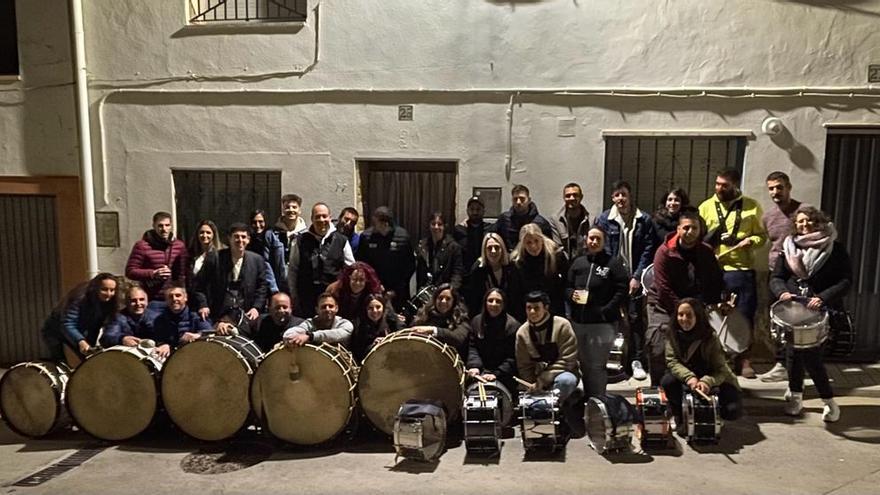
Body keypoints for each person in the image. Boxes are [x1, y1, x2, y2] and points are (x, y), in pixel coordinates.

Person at [770, 206, 850, 422]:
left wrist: (823, 297)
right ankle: (796, 396)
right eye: (800, 222)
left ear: (819, 222)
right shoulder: (788, 248)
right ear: (795, 225)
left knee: (812, 358)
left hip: (821, 311)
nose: (805, 225)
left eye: (810, 221)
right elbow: (776, 277)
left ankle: (829, 401)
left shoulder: (835, 249)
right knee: (793, 355)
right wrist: (783, 292)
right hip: (793, 310)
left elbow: (845, 281)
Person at [699, 168, 767, 378]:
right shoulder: (706, 207)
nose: (719, 188)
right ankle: (717, 360)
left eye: (724, 185)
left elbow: (762, 236)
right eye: (717, 184)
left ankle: (744, 360)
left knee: (744, 315)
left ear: (735, 186)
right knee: (713, 315)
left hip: (741, 270)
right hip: (714, 270)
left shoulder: (752, 206)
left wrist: (751, 242)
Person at [646, 208, 726, 385]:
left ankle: (697, 384)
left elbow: (714, 280)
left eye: (695, 228)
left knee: (704, 342)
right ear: (679, 229)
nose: (690, 232)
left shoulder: (705, 252)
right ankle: (659, 387)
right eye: (686, 228)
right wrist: (682, 311)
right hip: (663, 304)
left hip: (695, 305)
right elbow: (663, 287)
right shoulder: (664, 251)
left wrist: (720, 301)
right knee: (659, 343)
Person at [594, 180, 658, 381]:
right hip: (613, 280)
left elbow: (648, 250)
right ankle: (611, 361)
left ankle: (636, 360)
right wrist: (616, 279)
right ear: (612, 198)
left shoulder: (644, 219)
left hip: (635, 280)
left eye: (624, 194)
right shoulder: (604, 219)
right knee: (611, 320)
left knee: (636, 320)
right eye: (617, 195)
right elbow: (603, 251)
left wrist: (637, 277)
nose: (620, 199)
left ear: (630, 197)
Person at [661, 298, 742, 436]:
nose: (684, 319)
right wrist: (689, 378)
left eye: (689, 315)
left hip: (709, 376)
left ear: (698, 316)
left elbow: (721, 369)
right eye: (680, 315)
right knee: (668, 382)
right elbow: (672, 361)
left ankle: (714, 414)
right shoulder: (672, 334)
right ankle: (678, 414)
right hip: (685, 378)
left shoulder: (710, 337)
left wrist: (707, 381)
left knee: (733, 410)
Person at [566, 227, 629, 398]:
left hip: (603, 324)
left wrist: (606, 309)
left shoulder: (613, 264)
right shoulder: (578, 262)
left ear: (604, 241)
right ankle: (589, 400)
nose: (593, 242)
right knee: (584, 365)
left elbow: (622, 290)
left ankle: (599, 401)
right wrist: (572, 295)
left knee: (597, 365)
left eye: (597, 239)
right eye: (591, 238)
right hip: (579, 323)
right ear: (586, 240)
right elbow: (567, 286)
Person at [759, 171, 806, 382]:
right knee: (776, 320)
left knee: (800, 321)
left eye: (779, 187)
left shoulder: (804, 211)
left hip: (799, 275)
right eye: (771, 188)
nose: (775, 192)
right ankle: (780, 363)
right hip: (775, 274)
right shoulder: (768, 216)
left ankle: (798, 365)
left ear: (789, 187)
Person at [194, 223, 268, 330]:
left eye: (243, 237)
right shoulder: (214, 258)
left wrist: (256, 307)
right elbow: (199, 284)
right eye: (236, 237)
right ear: (229, 238)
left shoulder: (257, 260)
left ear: (248, 240)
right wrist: (203, 305)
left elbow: (262, 287)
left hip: (247, 312)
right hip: (219, 312)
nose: (240, 240)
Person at [288, 203, 355, 318]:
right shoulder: (299, 241)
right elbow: (293, 269)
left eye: (324, 216)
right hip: (307, 299)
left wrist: (339, 284)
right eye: (317, 217)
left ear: (330, 217)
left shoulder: (342, 240)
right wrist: (294, 296)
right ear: (312, 219)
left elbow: (351, 269)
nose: (321, 220)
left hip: (333, 299)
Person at [515, 291, 580, 404]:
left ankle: (558, 408)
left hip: (561, 373)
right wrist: (531, 383)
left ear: (546, 308)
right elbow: (524, 365)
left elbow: (568, 360)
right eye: (528, 308)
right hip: (536, 379)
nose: (532, 312)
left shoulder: (562, 325)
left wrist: (543, 380)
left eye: (536, 308)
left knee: (566, 381)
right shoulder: (522, 332)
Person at [41, 273, 121, 361]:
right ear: (96, 289)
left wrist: (91, 346)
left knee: (90, 359)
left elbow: (97, 327)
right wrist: (81, 341)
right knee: (60, 362)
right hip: (55, 329)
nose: (108, 294)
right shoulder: (80, 297)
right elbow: (67, 323)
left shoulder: (109, 303)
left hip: (80, 331)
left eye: (112, 290)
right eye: (104, 289)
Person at [356, 206, 416, 312]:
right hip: (373, 289)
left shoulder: (402, 237)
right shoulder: (366, 237)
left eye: (376, 223)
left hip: (397, 290)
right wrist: (375, 285)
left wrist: (395, 290)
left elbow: (409, 266)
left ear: (385, 223)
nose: (373, 226)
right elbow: (362, 264)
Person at [125, 211, 189, 302]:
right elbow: (130, 271)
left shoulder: (179, 246)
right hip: (152, 298)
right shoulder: (142, 246)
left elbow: (182, 274)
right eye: (160, 226)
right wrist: (153, 273)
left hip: (173, 299)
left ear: (171, 226)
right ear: (154, 226)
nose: (164, 229)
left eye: (167, 225)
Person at [466, 288, 520, 396]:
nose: (494, 304)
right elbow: (473, 347)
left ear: (504, 304)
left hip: (504, 374)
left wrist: (496, 374)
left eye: (498, 301)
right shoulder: (476, 322)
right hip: (479, 372)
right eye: (490, 300)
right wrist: (475, 366)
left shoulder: (513, 326)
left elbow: (512, 357)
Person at [511, 223, 568, 318]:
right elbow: (516, 294)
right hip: (529, 312)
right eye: (528, 243)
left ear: (542, 239)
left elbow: (564, 285)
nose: (533, 246)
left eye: (536, 241)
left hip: (554, 309)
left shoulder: (556, 255)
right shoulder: (517, 262)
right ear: (522, 244)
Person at [465, 232, 523, 320]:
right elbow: (474, 299)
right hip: (486, 315)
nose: (493, 251)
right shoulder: (478, 269)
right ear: (484, 250)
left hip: (510, 316)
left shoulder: (512, 267)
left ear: (502, 249)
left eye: (497, 247)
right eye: (489, 248)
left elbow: (516, 296)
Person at [150, 283, 212, 358]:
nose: (174, 299)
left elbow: (211, 334)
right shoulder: (159, 320)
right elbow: (159, 340)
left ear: (185, 298)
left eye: (178, 295)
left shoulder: (197, 316)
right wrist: (163, 345)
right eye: (170, 296)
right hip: (171, 359)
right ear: (166, 300)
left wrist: (198, 336)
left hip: (197, 356)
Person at [408, 283, 471, 356]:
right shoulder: (424, 313)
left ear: (453, 302)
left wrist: (434, 330)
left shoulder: (461, 317)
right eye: (440, 298)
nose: (443, 301)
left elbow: (458, 338)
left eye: (448, 299)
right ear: (435, 299)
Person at [492, 184, 558, 251]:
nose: (518, 202)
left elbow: (548, 247)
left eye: (522, 199)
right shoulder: (504, 220)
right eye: (515, 199)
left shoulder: (541, 223)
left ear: (529, 200)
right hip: (510, 259)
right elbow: (493, 237)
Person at [416, 211, 465, 290]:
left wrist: (451, 290)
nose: (436, 227)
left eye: (439, 224)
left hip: (446, 292)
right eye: (433, 224)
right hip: (427, 293)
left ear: (444, 226)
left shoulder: (453, 247)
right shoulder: (423, 245)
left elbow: (457, 273)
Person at [283, 293, 354, 347]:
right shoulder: (310, 323)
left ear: (336, 308)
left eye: (331, 306)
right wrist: (293, 339)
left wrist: (310, 336)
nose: (327, 309)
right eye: (323, 307)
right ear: (317, 310)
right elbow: (288, 334)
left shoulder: (345, 324)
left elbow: (338, 335)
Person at [350, 293, 400, 363]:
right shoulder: (359, 326)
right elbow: (357, 353)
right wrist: (372, 345)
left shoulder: (391, 320)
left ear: (383, 307)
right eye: (370, 308)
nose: (375, 311)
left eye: (378, 307)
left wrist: (389, 340)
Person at [248, 209, 287, 294]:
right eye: (254, 222)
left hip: (273, 283)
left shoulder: (271, 237)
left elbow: (278, 264)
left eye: (260, 221)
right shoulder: (248, 240)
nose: (258, 225)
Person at [553, 182, 591, 261]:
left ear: (581, 197)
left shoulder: (592, 220)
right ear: (564, 198)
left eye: (575, 195)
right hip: (564, 265)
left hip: (585, 264)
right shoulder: (555, 221)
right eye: (568, 196)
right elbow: (558, 248)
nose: (572, 198)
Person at [454, 196, 492, 272]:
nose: (475, 212)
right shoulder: (458, 230)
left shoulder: (491, 229)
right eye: (472, 209)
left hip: (485, 272)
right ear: (467, 211)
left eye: (478, 209)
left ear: (484, 211)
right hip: (464, 274)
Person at [273, 193, 308, 263]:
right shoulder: (273, 233)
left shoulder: (306, 234)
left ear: (299, 210)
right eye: (287, 207)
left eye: (294, 207)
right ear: (283, 210)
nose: (291, 210)